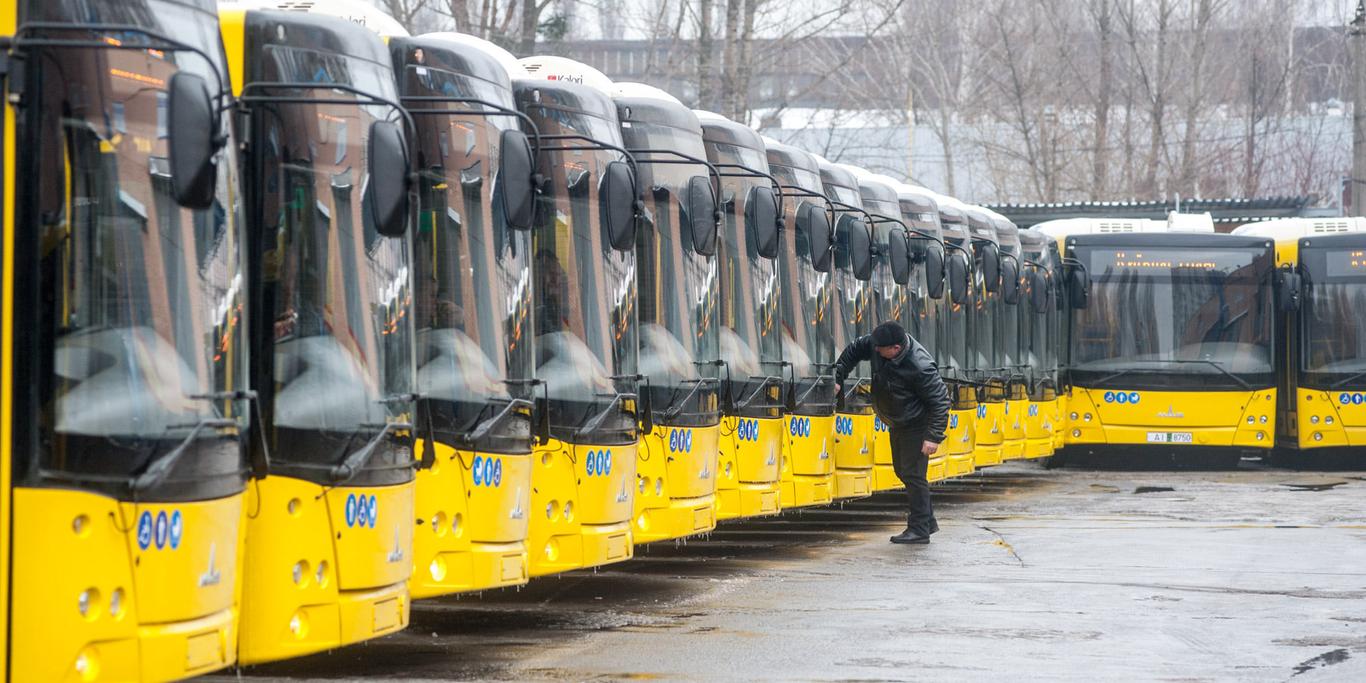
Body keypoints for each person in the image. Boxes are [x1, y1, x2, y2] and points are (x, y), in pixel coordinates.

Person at [833, 320, 951, 544]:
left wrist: (933, 437)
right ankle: (927, 521)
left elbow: (940, 401)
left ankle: (919, 530)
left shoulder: (920, 366)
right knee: (903, 472)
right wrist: (839, 376)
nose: (875, 351)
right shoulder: (880, 344)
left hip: (916, 424)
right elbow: (855, 349)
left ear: (896, 349)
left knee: (913, 475)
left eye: (880, 349)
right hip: (897, 421)